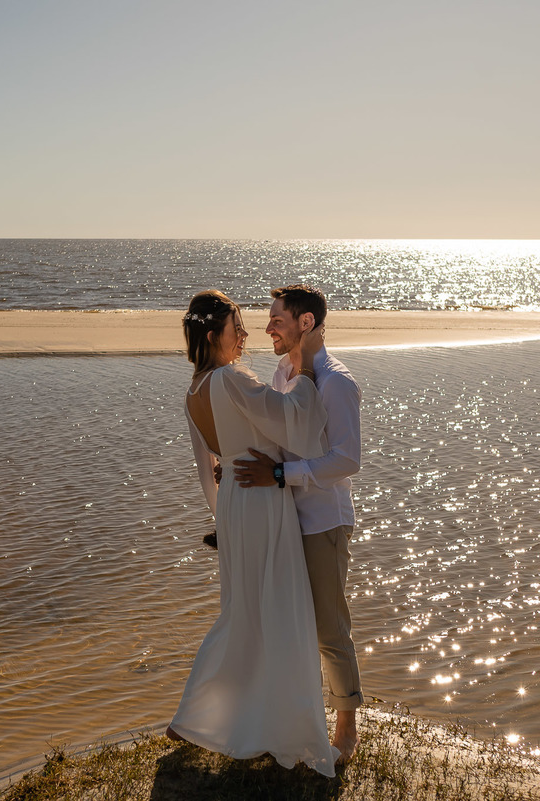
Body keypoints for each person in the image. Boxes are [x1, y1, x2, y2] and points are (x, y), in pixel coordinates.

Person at [167, 289, 338, 777]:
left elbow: (207, 469)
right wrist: (305, 371)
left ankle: (199, 715)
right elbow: (289, 423)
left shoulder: (195, 390)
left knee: (243, 610)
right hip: (262, 499)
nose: (243, 336)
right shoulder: (229, 378)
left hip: (236, 506)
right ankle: (282, 726)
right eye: (235, 327)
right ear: (213, 334)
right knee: (279, 608)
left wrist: (222, 515)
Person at [232, 284, 363, 762]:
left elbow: (347, 460)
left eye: (277, 320)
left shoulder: (336, 382)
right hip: (284, 517)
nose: (268, 327)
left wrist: (283, 475)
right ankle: (288, 719)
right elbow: (276, 436)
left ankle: (346, 724)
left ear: (305, 323)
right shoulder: (283, 371)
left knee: (328, 628)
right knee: (285, 623)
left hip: (322, 522)